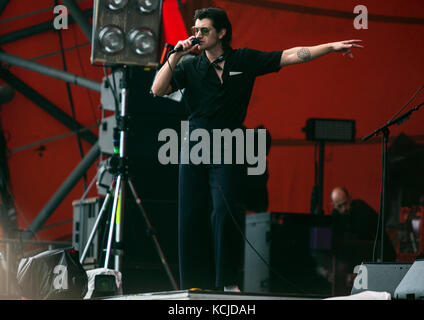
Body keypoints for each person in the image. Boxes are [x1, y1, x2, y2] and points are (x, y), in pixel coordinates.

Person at [151, 7, 363, 291]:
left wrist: (330, 47)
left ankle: (225, 281)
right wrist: (175, 55)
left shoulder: (244, 59)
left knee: (224, 210)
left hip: (230, 141)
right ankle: (193, 284)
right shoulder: (190, 65)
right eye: (195, 30)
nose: (198, 35)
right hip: (195, 141)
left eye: (204, 30)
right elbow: (157, 89)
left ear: (222, 32)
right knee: (191, 211)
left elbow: (288, 55)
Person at [330, 187, 396, 295]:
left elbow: (367, 237)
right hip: (354, 255)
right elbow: (337, 241)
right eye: (339, 206)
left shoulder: (361, 209)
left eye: (345, 204)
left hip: (375, 253)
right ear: (333, 205)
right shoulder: (336, 215)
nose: (344, 209)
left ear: (350, 199)